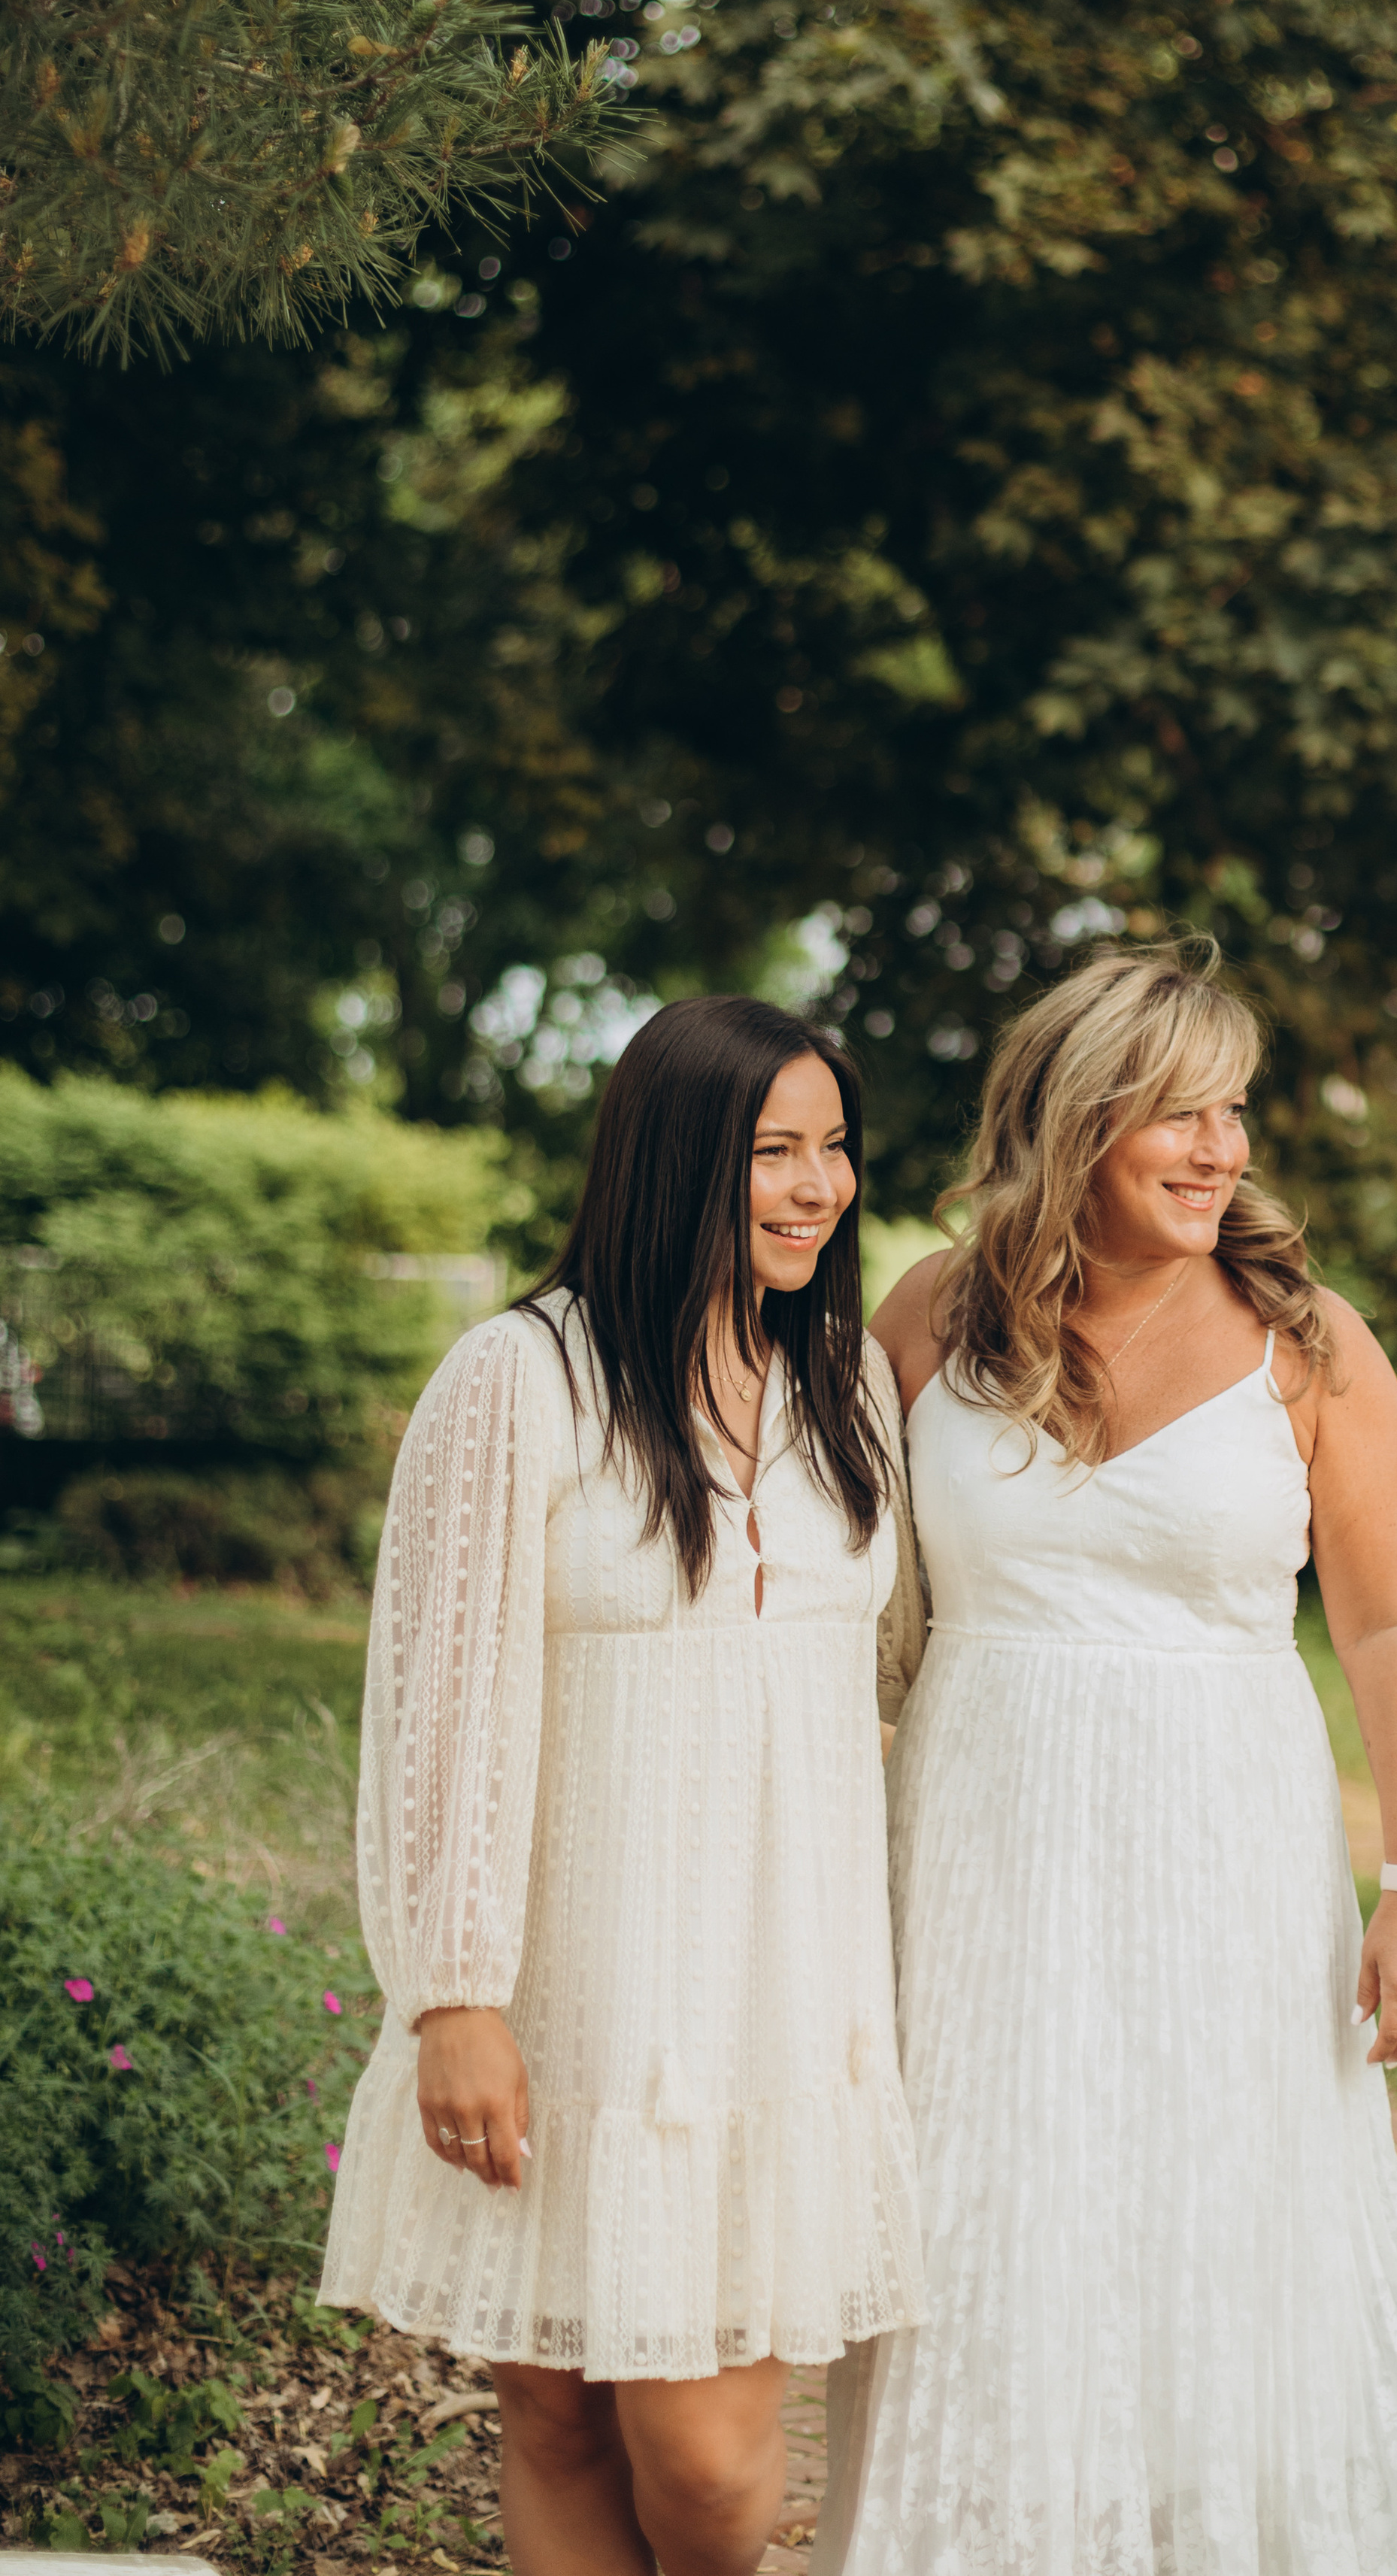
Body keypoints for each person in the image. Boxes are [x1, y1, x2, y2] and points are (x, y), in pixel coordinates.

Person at [820, 942, 1397, 2576]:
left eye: (1233, 1112)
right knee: (991, 2205)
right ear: (1074, 1126)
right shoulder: (931, 1313)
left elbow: (1390, 1625)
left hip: (1225, 1848)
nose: (1219, 1150)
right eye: (1177, 1115)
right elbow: (817, 1560)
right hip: (978, 1843)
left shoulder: (1309, 1342)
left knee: (1224, 2205)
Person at [322, 996, 926, 2576]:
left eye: (834, 1148)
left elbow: (884, 1675)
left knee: (714, 2473)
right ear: (673, 1160)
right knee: (558, 2415)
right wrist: (454, 1995)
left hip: (778, 1996)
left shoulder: (849, 1386)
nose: (817, 1187)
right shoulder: (519, 1378)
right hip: (567, 1988)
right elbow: (439, 1704)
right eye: (774, 1151)